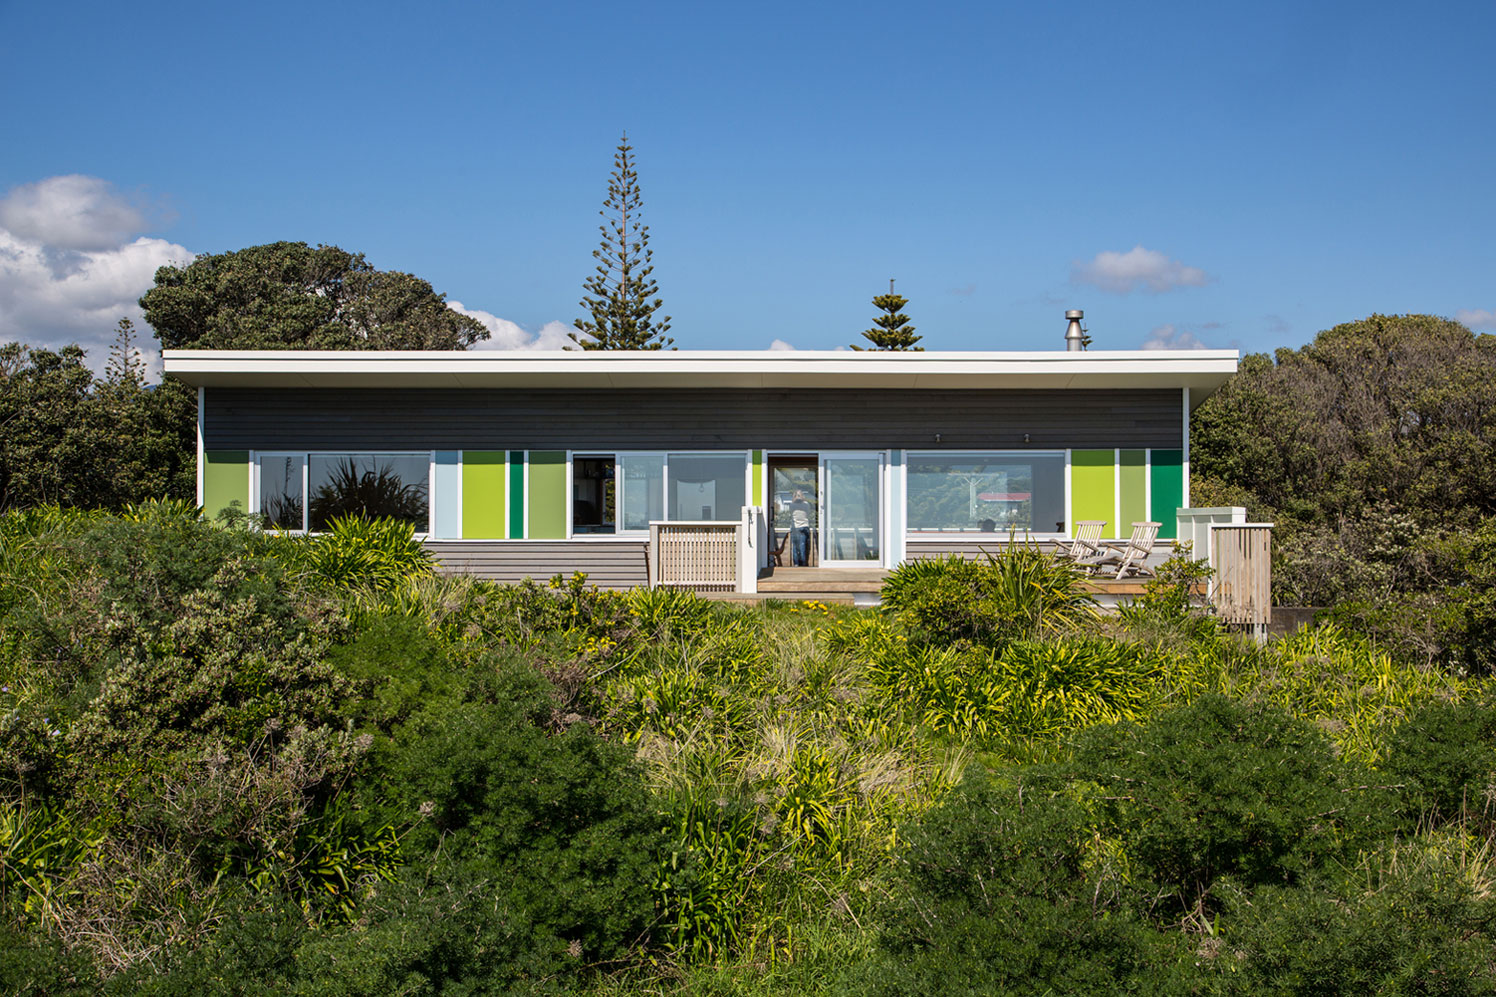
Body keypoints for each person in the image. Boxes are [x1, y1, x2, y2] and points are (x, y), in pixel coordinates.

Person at [781, 489, 812, 566]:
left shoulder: (792, 505)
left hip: (795, 527)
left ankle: (796, 564)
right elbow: (808, 513)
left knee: (795, 547)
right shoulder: (806, 504)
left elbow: (791, 513)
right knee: (803, 546)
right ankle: (804, 564)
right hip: (804, 526)